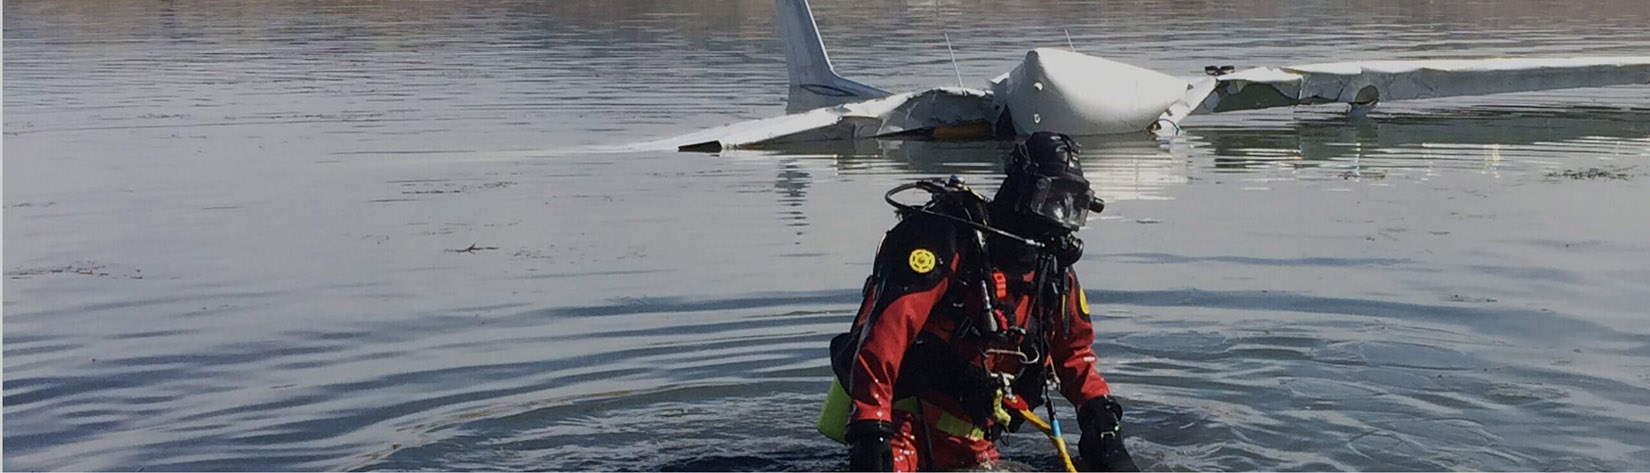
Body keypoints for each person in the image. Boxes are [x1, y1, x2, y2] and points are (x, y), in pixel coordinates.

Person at [820, 132, 1139, 472]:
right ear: (1023, 187)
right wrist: (871, 428)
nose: (1058, 216)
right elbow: (885, 338)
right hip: (904, 428)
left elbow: (1075, 355)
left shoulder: (1051, 273)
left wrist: (1101, 419)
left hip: (976, 442)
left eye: (1072, 204)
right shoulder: (950, 241)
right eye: (1052, 198)